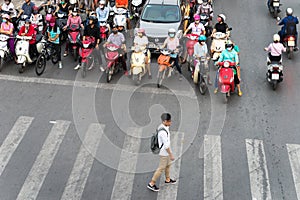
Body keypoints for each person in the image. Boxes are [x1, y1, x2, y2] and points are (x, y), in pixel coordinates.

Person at [147, 113, 176, 192]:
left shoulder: (163, 126)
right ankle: (151, 183)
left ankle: (167, 179)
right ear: (165, 121)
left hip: (166, 152)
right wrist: (171, 155)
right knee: (161, 168)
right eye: (169, 121)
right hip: (164, 153)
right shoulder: (163, 132)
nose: (170, 123)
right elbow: (166, 146)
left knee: (168, 165)